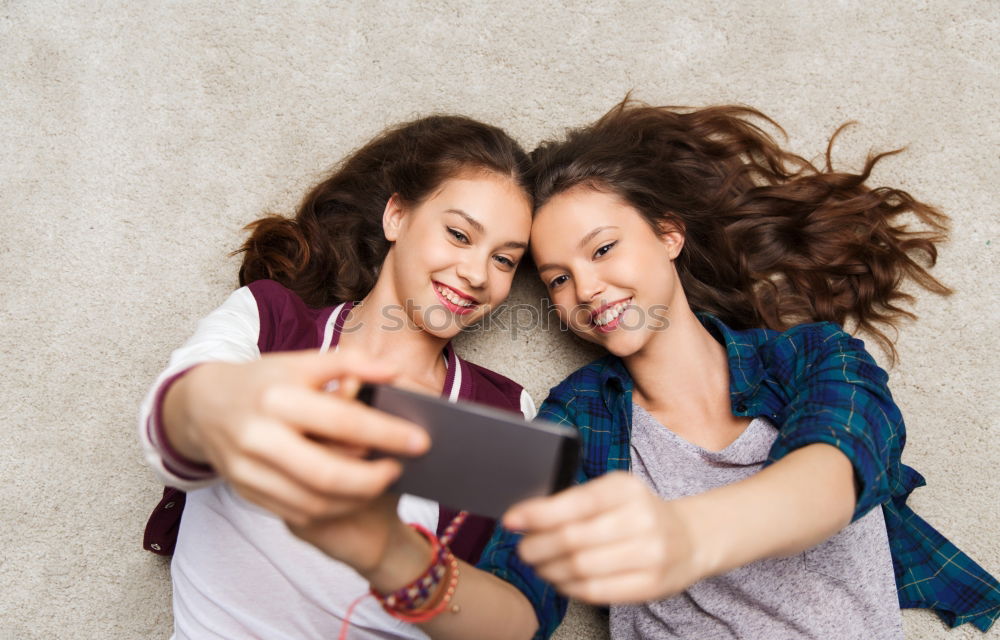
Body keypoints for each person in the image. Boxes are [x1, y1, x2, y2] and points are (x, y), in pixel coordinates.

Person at [284, 100, 1000, 640]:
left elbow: (840, 468)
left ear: (668, 234)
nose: (586, 290)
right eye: (557, 278)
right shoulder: (576, 418)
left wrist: (683, 539)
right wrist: (402, 564)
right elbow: (516, 603)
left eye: (602, 250)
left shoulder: (810, 357)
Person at [138, 114, 537, 639]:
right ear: (396, 216)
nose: (478, 274)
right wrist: (220, 404)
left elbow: (517, 626)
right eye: (459, 234)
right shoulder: (269, 321)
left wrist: (395, 557)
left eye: (505, 260)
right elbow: (172, 419)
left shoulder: (507, 412)